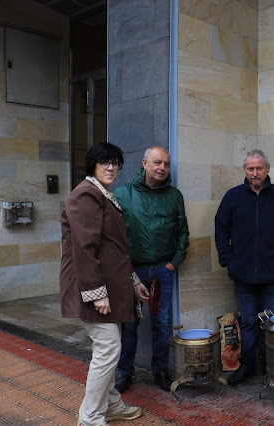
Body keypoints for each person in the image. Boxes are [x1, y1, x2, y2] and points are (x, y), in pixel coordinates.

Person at [60, 142, 145, 426]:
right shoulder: (86, 194)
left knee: (109, 350)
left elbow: (114, 249)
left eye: (115, 163)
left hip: (109, 287)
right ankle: (91, 418)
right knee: (108, 350)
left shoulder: (101, 194)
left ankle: (111, 405)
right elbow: (84, 248)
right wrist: (96, 294)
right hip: (94, 289)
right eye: (104, 162)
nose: (111, 168)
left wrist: (134, 282)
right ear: (92, 166)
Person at [214, 149, 274, 385]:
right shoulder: (233, 197)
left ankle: (269, 365)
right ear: (245, 170)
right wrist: (228, 261)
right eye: (250, 169)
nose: (255, 173)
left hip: (273, 275)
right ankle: (248, 366)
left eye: (259, 168)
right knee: (250, 322)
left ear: (267, 169)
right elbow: (220, 231)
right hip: (243, 275)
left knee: (271, 322)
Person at [113, 146, 190, 393]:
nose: (162, 168)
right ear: (145, 163)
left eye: (166, 164)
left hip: (162, 271)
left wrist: (172, 264)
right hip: (131, 272)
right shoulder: (123, 194)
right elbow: (114, 237)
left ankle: (159, 370)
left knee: (162, 324)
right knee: (129, 325)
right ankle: (125, 371)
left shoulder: (174, 196)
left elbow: (183, 233)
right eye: (157, 163)